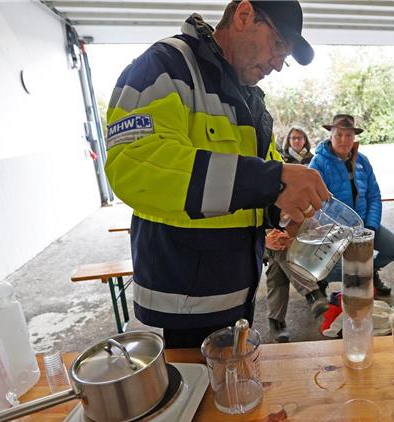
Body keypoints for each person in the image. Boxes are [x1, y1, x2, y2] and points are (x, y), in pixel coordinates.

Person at [104, 0, 331, 349]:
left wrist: (283, 210)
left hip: (236, 293)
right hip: (186, 297)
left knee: (232, 392)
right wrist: (272, 180)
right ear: (243, 16)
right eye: (277, 46)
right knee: (201, 396)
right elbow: (134, 164)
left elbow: (253, 182)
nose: (278, 64)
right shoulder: (165, 66)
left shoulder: (248, 99)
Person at [309, 114, 394, 299]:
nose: (344, 140)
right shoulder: (318, 163)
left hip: (363, 226)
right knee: (343, 274)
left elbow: (374, 196)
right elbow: (315, 204)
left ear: (354, 137)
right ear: (330, 135)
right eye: (339, 135)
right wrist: (339, 232)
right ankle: (326, 282)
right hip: (335, 231)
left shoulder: (362, 161)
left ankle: (371, 271)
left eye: (349, 135)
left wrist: (370, 228)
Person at [265, 129, 328, 343]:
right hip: (262, 232)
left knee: (277, 265)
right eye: (293, 138)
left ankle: (276, 320)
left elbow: (309, 206)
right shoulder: (269, 170)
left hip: (290, 226)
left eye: (300, 137)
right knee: (280, 250)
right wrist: (265, 236)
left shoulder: (309, 163)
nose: (297, 141)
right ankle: (312, 293)